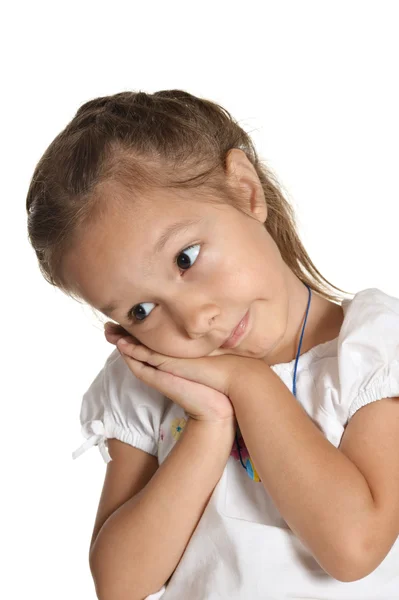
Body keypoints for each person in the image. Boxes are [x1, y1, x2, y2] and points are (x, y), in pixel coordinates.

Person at [26, 89, 399, 600]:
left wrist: (247, 383)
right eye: (141, 311)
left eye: (186, 257)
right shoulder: (150, 386)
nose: (195, 319)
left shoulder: (372, 353)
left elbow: (353, 547)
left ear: (246, 189)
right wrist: (208, 425)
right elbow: (120, 584)